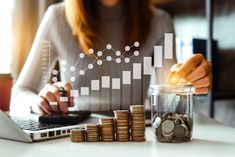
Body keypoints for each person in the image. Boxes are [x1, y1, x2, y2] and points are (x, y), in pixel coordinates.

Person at [10, 0, 212, 115]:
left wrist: (188, 83)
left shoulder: (160, 22)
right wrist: (37, 102)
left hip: (137, 138)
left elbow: (169, 102)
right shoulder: (57, 18)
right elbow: (19, 93)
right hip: (73, 140)